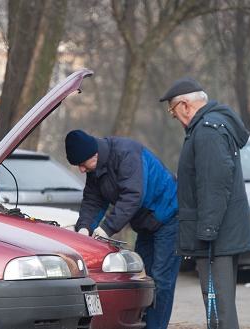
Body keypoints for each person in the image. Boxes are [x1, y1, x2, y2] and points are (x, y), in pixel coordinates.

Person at [159, 77, 250, 329]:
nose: (176, 119)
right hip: (220, 234)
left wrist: (207, 231)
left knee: (218, 309)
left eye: (173, 112)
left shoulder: (207, 131)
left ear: (185, 106)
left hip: (215, 238)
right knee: (221, 306)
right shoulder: (211, 126)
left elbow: (215, 183)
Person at [64, 129, 180, 329]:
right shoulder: (95, 169)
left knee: (161, 279)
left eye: (82, 164)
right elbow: (92, 201)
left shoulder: (127, 154)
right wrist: (84, 228)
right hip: (145, 224)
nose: (81, 170)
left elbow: (133, 196)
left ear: (95, 155)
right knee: (143, 279)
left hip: (169, 218)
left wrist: (106, 229)